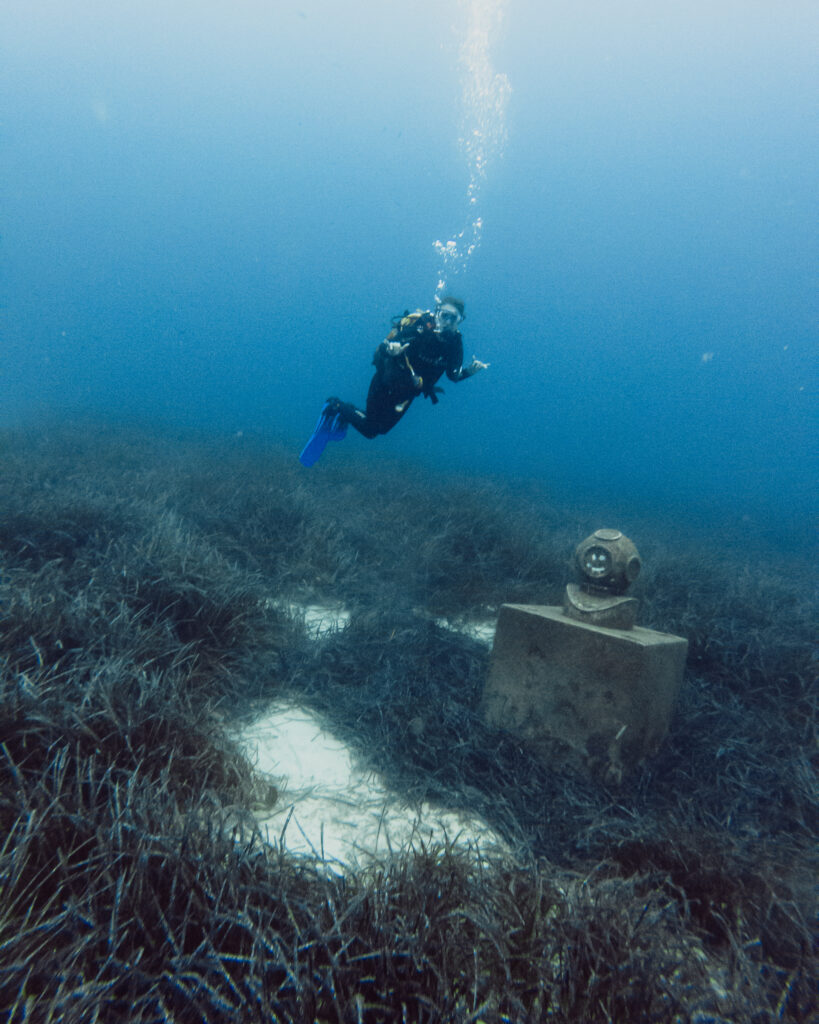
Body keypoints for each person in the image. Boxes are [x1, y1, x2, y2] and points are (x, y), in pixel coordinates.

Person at [326, 297, 489, 439]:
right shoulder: (421, 329)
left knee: (380, 430)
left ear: (460, 320)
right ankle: (336, 406)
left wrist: (469, 371)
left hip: (408, 393)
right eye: (444, 315)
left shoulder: (454, 344)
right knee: (370, 430)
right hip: (386, 382)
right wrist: (391, 350)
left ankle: (347, 412)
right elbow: (385, 346)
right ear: (437, 313)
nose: (447, 322)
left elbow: (453, 376)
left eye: (453, 318)